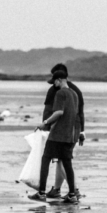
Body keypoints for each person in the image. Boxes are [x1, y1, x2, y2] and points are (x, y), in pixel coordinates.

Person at [30, 69, 80, 203]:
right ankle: (72, 194)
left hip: (57, 135)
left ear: (59, 80)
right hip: (70, 135)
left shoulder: (60, 93)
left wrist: (45, 123)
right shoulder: (74, 94)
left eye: (55, 82)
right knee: (67, 164)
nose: (54, 85)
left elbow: (59, 112)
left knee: (46, 159)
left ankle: (41, 193)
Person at [41, 63, 85, 198]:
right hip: (74, 130)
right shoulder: (75, 91)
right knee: (63, 160)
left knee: (53, 159)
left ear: (58, 78)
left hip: (59, 130)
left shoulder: (57, 91)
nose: (53, 82)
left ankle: (73, 190)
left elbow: (50, 110)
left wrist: (46, 124)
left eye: (54, 78)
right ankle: (60, 189)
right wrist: (82, 131)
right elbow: (80, 112)